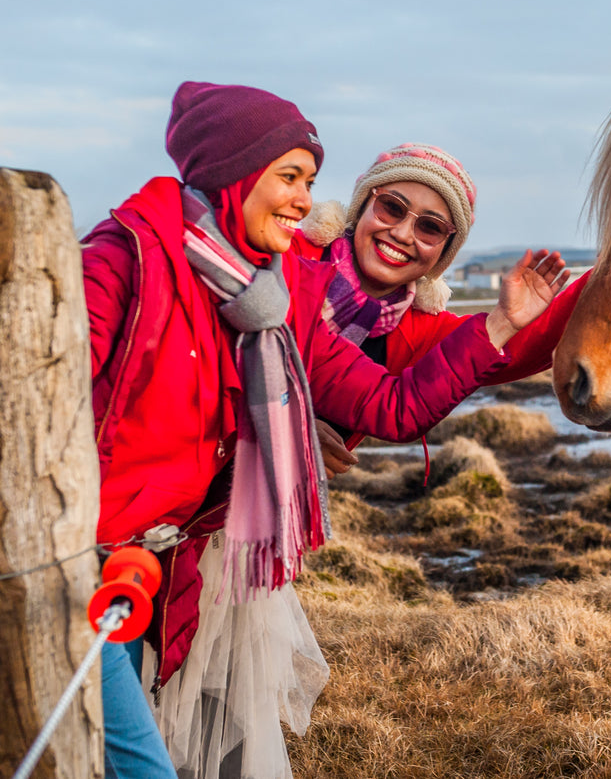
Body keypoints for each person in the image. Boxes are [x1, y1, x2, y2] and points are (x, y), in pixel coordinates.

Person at [82, 82, 568, 779]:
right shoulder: (139, 256)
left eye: (308, 181)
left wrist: (505, 322)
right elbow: (44, 389)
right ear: (233, 174)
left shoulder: (284, 299)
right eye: (289, 177)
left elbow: (396, 405)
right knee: (135, 751)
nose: (305, 200)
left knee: (138, 739)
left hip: (183, 547)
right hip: (85, 559)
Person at [292, 143, 590, 452]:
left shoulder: (419, 331)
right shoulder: (288, 259)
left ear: (443, 254)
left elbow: (520, 343)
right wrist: (288, 428)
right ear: (362, 206)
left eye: (430, 228)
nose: (403, 234)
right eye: (392, 207)